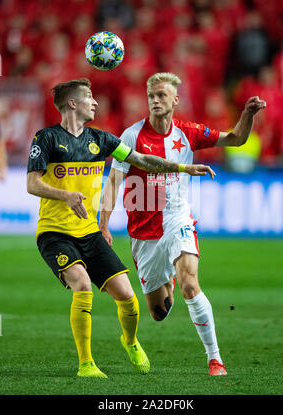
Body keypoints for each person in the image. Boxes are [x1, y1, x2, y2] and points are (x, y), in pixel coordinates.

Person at [26, 78, 215, 379]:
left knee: (127, 296)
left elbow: (141, 159)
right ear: (72, 103)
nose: (95, 102)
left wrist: (183, 167)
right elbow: (32, 183)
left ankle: (129, 341)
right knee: (82, 285)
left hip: (88, 232)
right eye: (88, 97)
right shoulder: (46, 138)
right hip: (55, 232)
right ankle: (86, 364)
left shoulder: (101, 140)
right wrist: (66, 195)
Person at [99, 72, 266, 376]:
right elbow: (113, 182)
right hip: (144, 232)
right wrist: (104, 224)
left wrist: (247, 114)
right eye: (151, 95)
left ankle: (215, 359)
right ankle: (168, 278)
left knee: (191, 285)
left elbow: (236, 138)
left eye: (161, 95)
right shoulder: (131, 136)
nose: (155, 100)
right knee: (159, 312)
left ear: (175, 99)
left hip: (178, 218)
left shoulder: (187, 133)